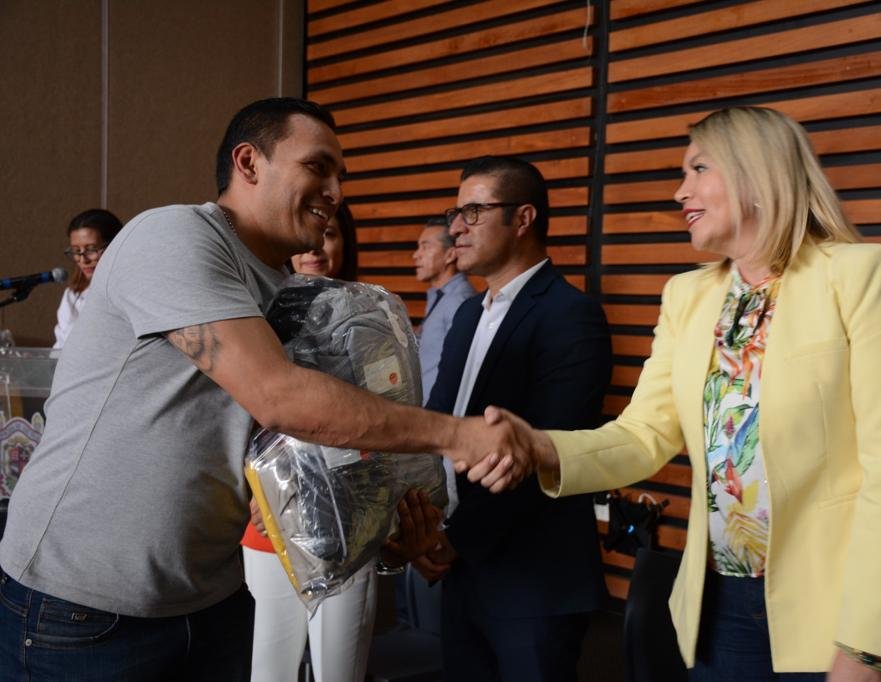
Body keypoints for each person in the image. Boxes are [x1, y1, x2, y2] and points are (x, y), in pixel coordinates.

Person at [0, 97, 523, 681]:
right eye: (317, 167)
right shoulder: (174, 234)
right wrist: (459, 436)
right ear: (248, 163)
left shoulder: (294, 293)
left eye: (340, 176)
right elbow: (281, 398)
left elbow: (302, 461)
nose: (335, 192)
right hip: (84, 608)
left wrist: (382, 533)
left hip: (210, 596)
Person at [466, 108, 881, 681]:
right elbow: (643, 436)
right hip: (722, 609)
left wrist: (864, 650)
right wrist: (539, 447)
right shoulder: (687, 296)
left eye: (698, 169)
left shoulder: (861, 273)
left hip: (847, 611)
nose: (680, 192)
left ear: (757, 173)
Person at [417, 156, 611, 682]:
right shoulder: (466, 314)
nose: (457, 228)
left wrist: (454, 539)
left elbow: (543, 451)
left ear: (523, 218)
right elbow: (438, 424)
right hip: (463, 567)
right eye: (455, 213)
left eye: (473, 212)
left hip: (534, 580)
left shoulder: (571, 315)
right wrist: (425, 526)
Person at [241, 206, 376, 682]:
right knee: (267, 673)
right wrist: (258, 493)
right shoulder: (256, 319)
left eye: (330, 234)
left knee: (339, 672)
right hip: (268, 522)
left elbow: (388, 423)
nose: (316, 247)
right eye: (307, 236)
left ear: (346, 243)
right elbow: (238, 420)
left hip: (348, 525)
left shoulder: (374, 319)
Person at [413, 216, 476, 404]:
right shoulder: (440, 296)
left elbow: (460, 373)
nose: (416, 255)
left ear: (450, 255)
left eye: (425, 247)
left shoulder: (460, 301)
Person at [53, 208, 123, 349]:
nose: (83, 259)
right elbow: (61, 346)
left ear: (114, 246)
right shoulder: (73, 294)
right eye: (76, 251)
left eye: (91, 249)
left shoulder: (129, 292)